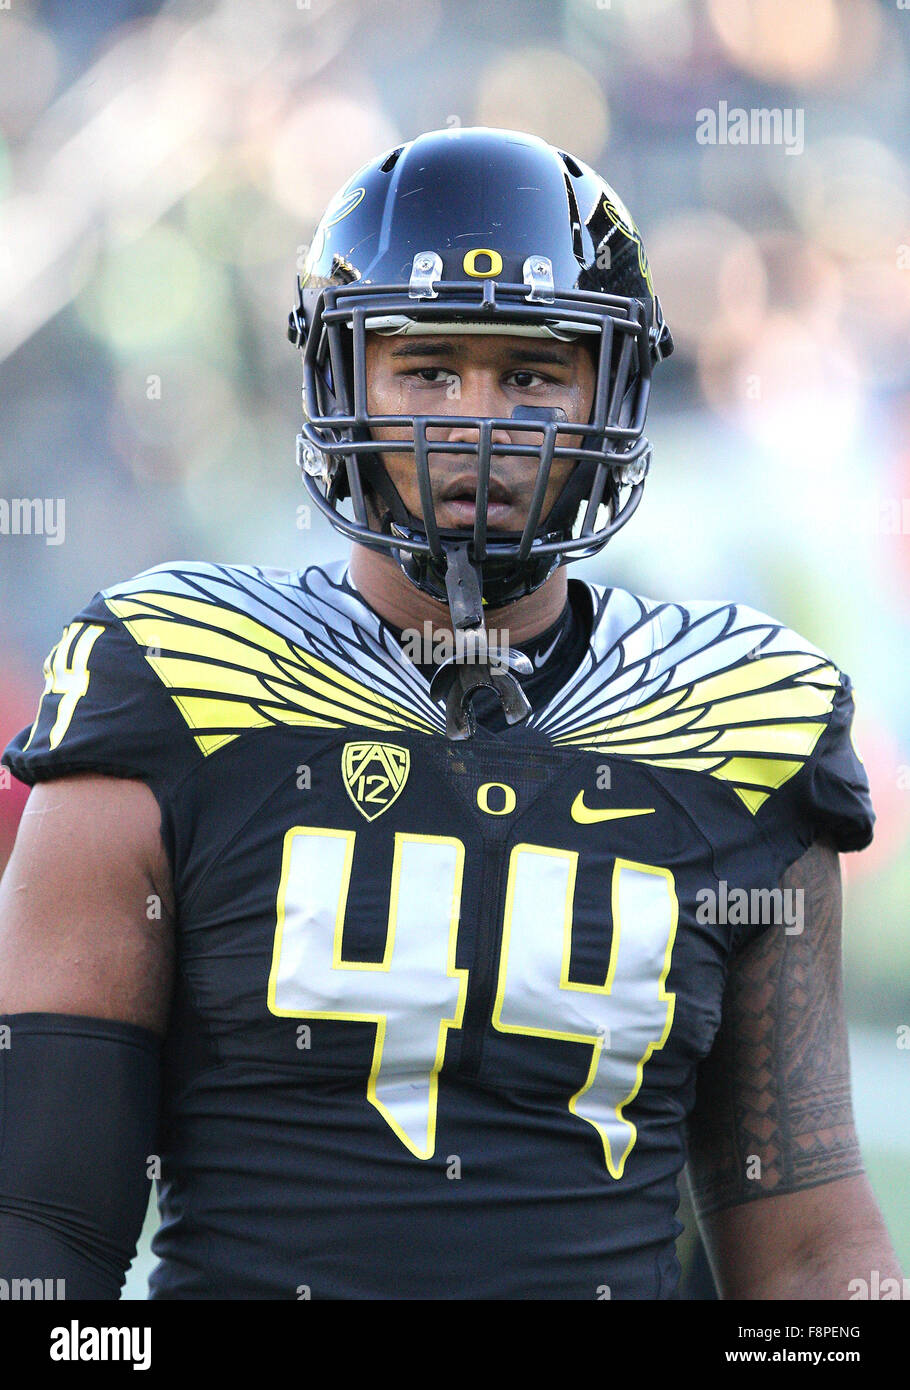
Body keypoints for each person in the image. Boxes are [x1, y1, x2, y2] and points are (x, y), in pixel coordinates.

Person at [0, 127, 900, 1301]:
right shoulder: (179, 679)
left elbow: (809, 1246)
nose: (479, 421)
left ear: (610, 389)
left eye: (532, 373)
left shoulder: (735, 720)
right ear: (342, 380)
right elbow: (39, 1226)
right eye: (427, 369)